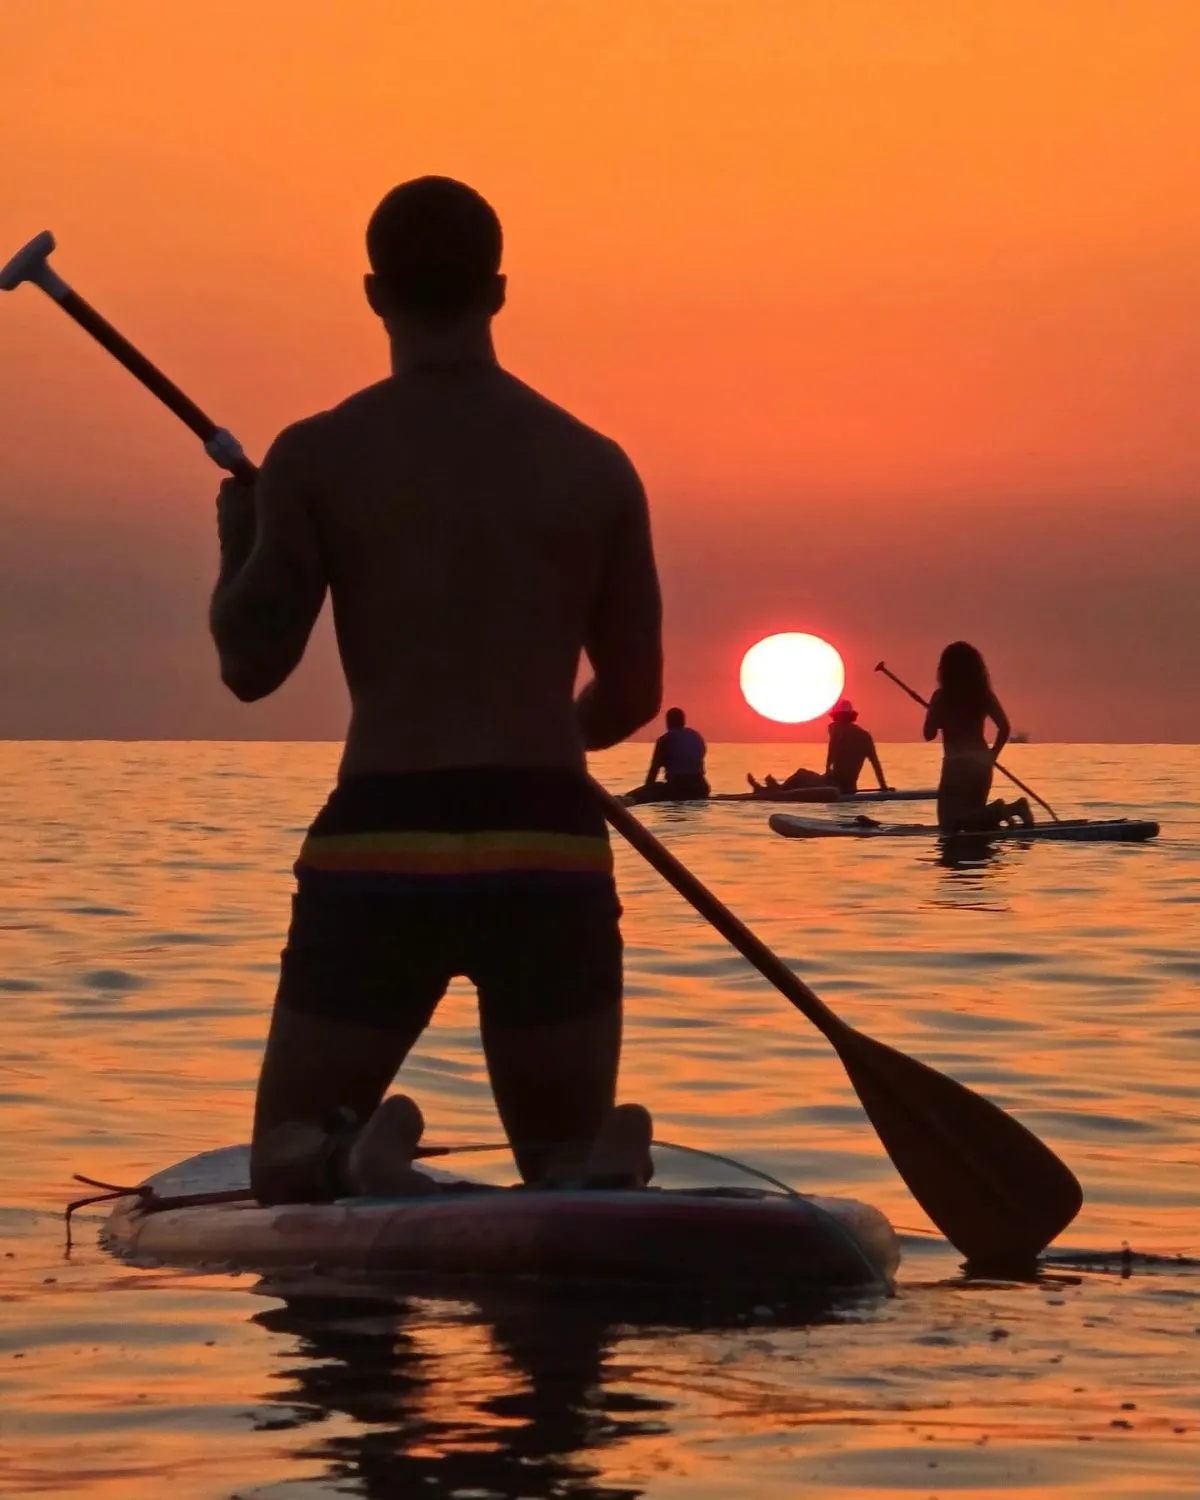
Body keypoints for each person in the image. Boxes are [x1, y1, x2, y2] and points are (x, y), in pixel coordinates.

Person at [209, 177, 662, 1205]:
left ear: (375, 294)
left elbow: (251, 666)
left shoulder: (318, 454)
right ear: (498, 290)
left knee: (277, 1153)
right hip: (545, 839)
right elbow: (634, 692)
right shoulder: (595, 465)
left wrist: (240, 546)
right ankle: (595, 1162)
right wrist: (543, 756)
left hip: (383, 836)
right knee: (559, 1176)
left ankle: (340, 1154)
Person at [923, 642, 1032, 833]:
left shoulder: (941, 697)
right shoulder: (983, 695)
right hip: (982, 765)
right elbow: (1004, 728)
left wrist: (934, 713)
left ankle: (999, 810)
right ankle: (1014, 808)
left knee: (949, 825)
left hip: (956, 766)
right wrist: (992, 756)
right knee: (977, 821)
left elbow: (928, 734)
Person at [747, 699, 890, 796]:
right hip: (849, 788)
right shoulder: (865, 736)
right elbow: (875, 764)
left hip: (834, 786)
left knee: (801, 774)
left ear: (839, 717)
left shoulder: (837, 730)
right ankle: (773, 789)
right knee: (805, 780)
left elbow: (831, 755)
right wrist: (883, 787)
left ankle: (775, 791)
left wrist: (827, 773)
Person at [637, 707, 710, 800]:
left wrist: (646, 792)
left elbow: (654, 769)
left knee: (638, 794)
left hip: (677, 789)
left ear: (668, 722)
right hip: (701, 788)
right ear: (683, 721)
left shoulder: (665, 739)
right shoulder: (696, 736)